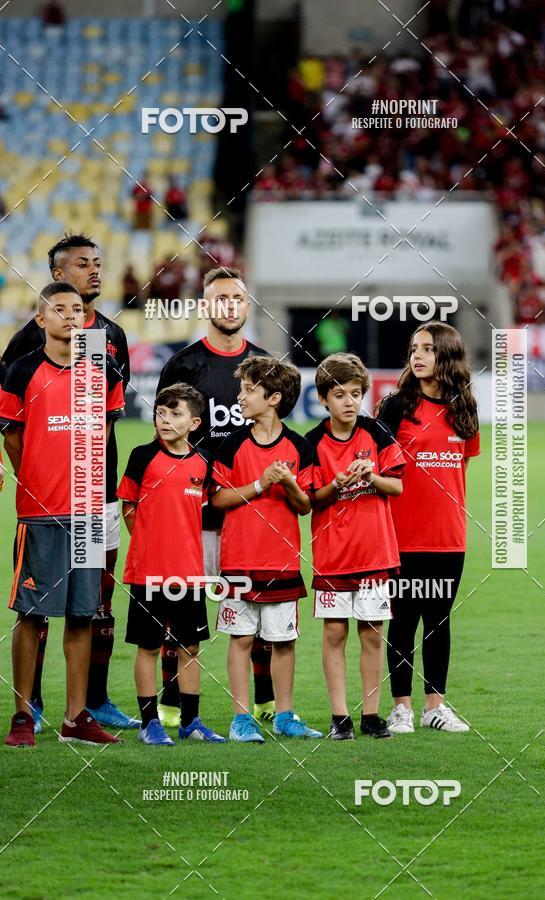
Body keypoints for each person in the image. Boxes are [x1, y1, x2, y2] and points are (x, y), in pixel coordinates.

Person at [0, 233, 138, 732]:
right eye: (83, 264)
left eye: (98, 263)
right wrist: (32, 475)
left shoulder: (109, 348)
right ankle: (27, 706)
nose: (94, 271)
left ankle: (86, 707)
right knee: (35, 608)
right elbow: (12, 427)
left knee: (92, 602)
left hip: (95, 500)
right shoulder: (24, 354)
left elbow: (105, 425)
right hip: (44, 506)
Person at [156, 267, 276, 727]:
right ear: (206, 306)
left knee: (257, 610)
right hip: (192, 514)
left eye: (237, 297)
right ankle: (173, 705)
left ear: (247, 306)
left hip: (250, 512)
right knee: (182, 610)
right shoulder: (183, 365)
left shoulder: (267, 366)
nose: (229, 305)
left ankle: (264, 702)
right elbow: (165, 437)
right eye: (219, 297)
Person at [212, 356, 322, 743]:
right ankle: (240, 719)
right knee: (240, 639)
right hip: (238, 561)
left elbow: (305, 505)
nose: (240, 396)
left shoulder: (299, 446)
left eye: (248, 389)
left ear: (273, 398)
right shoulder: (232, 444)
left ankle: (284, 715)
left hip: (282, 561)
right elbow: (218, 499)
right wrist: (260, 483)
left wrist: (289, 482)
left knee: (283, 641)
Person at [377, 322, 480, 734]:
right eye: (414, 349)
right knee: (402, 619)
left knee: (440, 620)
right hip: (401, 536)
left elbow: (462, 467)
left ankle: (434, 707)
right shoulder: (395, 407)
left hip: (449, 538)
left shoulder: (465, 409)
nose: (417, 356)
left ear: (447, 356)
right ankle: (401, 708)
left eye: (427, 350)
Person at [118, 383, 225, 745]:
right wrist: (149, 544)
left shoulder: (204, 462)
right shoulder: (141, 456)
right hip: (148, 572)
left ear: (194, 422)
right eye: (160, 412)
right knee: (148, 647)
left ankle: (191, 721)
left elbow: (216, 501)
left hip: (190, 573)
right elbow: (128, 508)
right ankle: (150, 723)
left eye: (174, 413)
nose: (164, 419)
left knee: (190, 647)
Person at [306, 353, 404, 740]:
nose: (349, 401)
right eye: (339, 394)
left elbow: (396, 486)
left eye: (356, 393)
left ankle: (372, 715)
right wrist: (339, 483)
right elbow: (311, 498)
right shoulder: (312, 441)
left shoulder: (377, 433)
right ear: (323, 399)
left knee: (371, 633)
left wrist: (373, 475)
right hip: (332, 556)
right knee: (334, 633)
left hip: (374, 553)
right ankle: (340, 717)